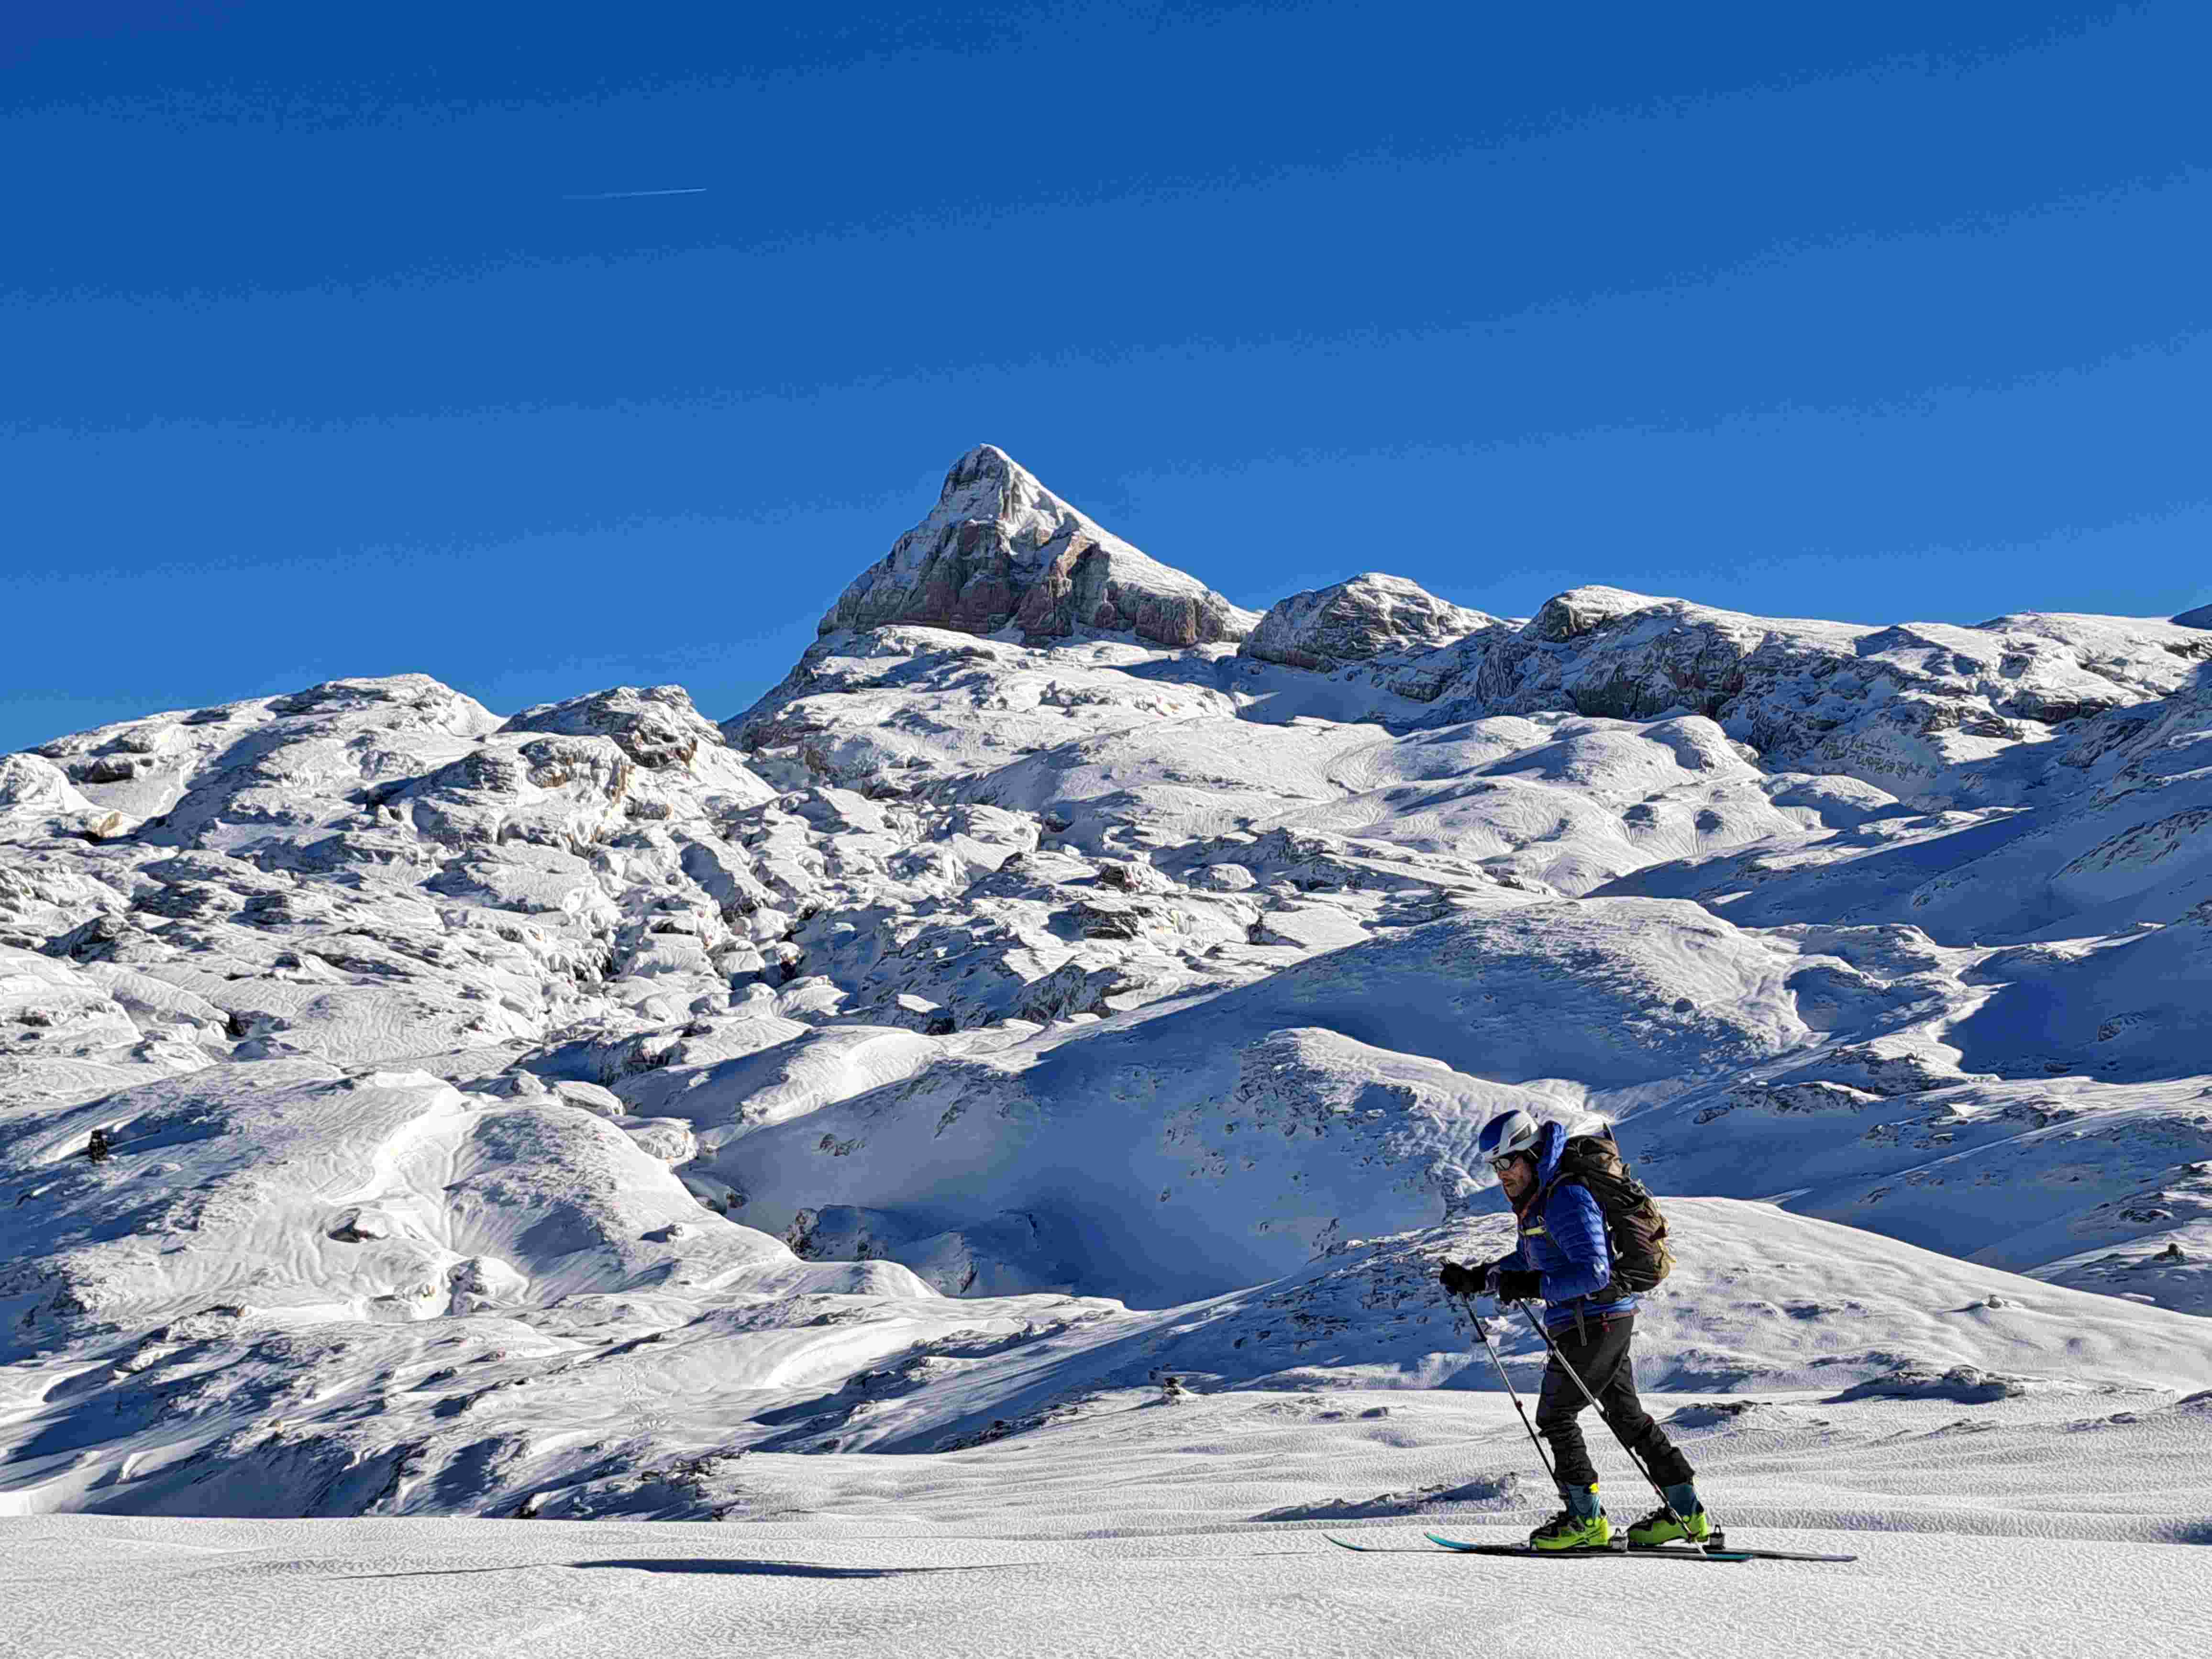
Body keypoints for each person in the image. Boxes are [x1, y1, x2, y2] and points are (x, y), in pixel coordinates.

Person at [1438, 1108, 1712, 1551]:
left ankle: (1585, 1521)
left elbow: (1593, 1273)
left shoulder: (1564, 1196)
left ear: (1530, 1154)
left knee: (1556, 1416)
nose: (1501, 1175)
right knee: (1627, 1418)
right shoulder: (1540, 1200)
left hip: (1594, 1319)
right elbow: (1532, 1260)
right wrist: (1479, 1277)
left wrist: (1532, 1286)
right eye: (1495, 1166)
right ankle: (1688, 1515)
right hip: (1596, 1319)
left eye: (1507, 1163)